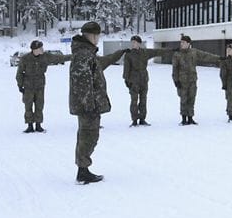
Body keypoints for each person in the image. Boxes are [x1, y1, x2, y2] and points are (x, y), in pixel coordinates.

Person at [68, 21, 127, 184]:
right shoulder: (84, 54)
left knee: (87, 135)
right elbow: (82, 82)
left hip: (90, 104)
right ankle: (82, 171)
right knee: (88, 136)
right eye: (97, 36)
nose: (98, 39)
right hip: (88, 105)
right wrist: (88, 105)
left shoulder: (87, 53)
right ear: (91, 36)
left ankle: (83, 169)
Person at [15, 39, 71, 133]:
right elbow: (19, 73)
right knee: (28, 106)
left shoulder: (45, 57)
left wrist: (74, 56)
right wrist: (20, 86)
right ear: (34, 49)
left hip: (40, 86)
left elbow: (60, 58)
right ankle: (29, 126)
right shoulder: (25, 58)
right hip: (28, 86)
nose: (42, 49)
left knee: (39, 105)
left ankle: (38, 125)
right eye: (40, 48)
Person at [171, 35, 220, 125]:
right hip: (182, 81)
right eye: (181, 42)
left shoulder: (194, 52)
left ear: (189, 43)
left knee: (192, 99)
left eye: (184, 42)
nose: (182, 44)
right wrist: (176, 80)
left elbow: (206, 56)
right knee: (183, 100)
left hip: (192, 80)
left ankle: (190, 118)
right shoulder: (177, 54)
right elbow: (175, 69)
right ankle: (184, 119)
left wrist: (219, 58)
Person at [122, 35, 166, 127]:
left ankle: (142, 119)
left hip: (144, 80)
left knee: (143, 100)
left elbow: (157, 51)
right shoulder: (129, 54)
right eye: (132, 42)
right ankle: (134, 119)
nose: (133, 44)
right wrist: (126, 80)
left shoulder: (145, 52)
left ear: (139, 43)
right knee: (134, 100)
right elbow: (126, 68)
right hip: (133, 81)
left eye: (135, 42)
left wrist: (172, 50)